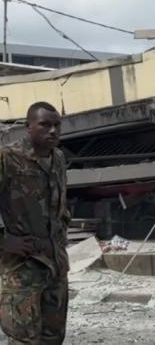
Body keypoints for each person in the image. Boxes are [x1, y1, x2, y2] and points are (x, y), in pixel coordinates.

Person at [0, 101, 70, 345]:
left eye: (57, 125)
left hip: (55, 265)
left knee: (53, 337)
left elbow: (60, 204)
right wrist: (4, 240)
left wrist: (62, 238)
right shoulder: (8, 158)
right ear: (28, 127)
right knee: (24, 340)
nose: (53, 131)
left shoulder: (58, 159)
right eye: (45, 125)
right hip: (23, 268)